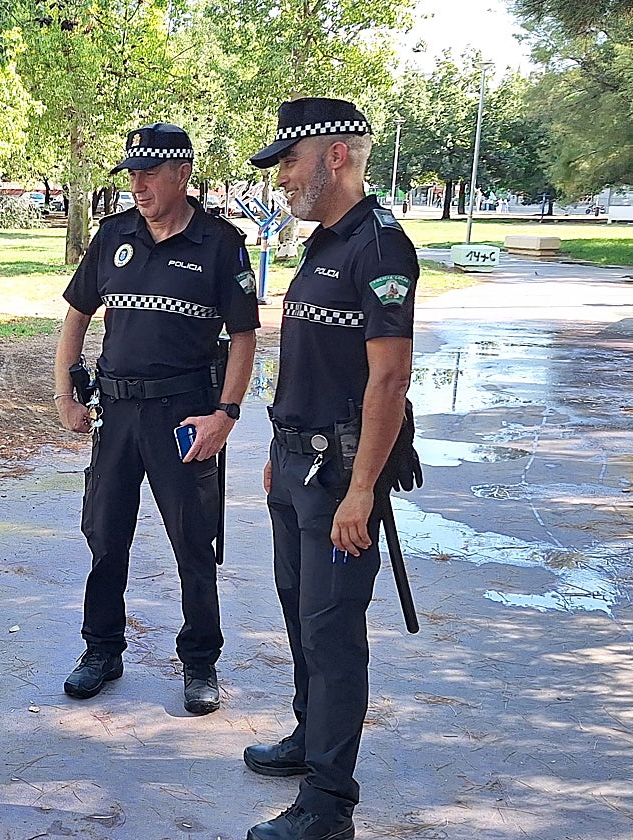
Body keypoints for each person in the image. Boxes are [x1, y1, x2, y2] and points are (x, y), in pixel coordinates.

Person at [243, 98, 418, 840]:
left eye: (289, 160)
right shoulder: (321, 243)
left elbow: (388, 382)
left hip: (341, 472)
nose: (281, 176)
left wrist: (360, 492)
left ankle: (328, 804)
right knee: (298, 614)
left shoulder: (381, 247)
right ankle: (309, 738)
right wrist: (279, 454)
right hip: (297, 464)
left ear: (335, 156)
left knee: (332, 632)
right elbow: (310, 358)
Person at [53, 123, 259, 715]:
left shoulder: (220, 243)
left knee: (193, 543)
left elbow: (244, 335)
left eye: (149, 173)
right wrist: (66, 393)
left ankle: (200, 663)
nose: (137, 185)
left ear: (181, 174)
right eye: (132, 173)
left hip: (185, 415)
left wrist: (226, 412)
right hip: (116, 412)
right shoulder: (113, 234)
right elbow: (76, 317)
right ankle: (101, 650)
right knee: (105, 536)